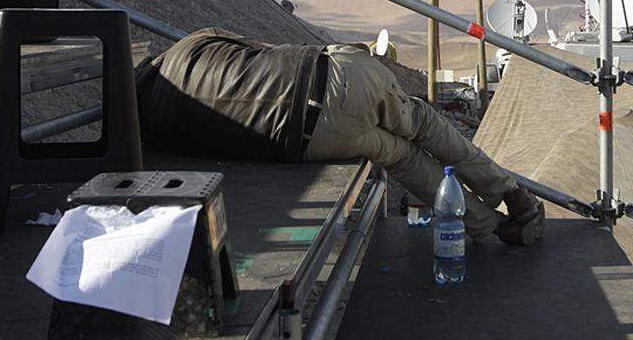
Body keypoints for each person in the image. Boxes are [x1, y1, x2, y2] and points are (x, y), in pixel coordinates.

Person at [135, 28, 545, 245]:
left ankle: (491, 228)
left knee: (402, 158)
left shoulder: (160, 130)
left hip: (313, 139)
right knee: (422, 123)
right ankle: (511, 194)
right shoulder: (190, 47)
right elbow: (260, 48)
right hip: (332, 78)